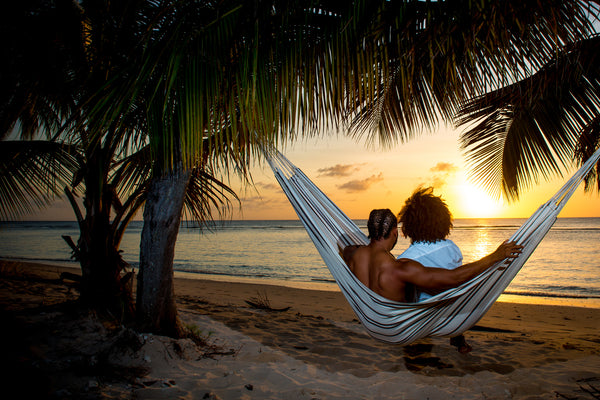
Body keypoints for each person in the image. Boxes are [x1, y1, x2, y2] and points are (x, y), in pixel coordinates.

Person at [341, 208, 522, 344]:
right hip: (395, 329)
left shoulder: (351, 254)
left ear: (370, 232)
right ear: (395, 232)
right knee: (423, 286)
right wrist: (495, 256)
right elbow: (454, 278)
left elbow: (343, 246)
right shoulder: (400, 269)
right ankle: (457, 337)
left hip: (372, 322)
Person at [396, 187, 468, 352]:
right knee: (452, 290)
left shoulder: (405, 259)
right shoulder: (453, 248)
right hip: (451, 314)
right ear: (443, 221)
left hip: (421, 317)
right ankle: (458, 335)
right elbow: (456, 282)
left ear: (409, 225)